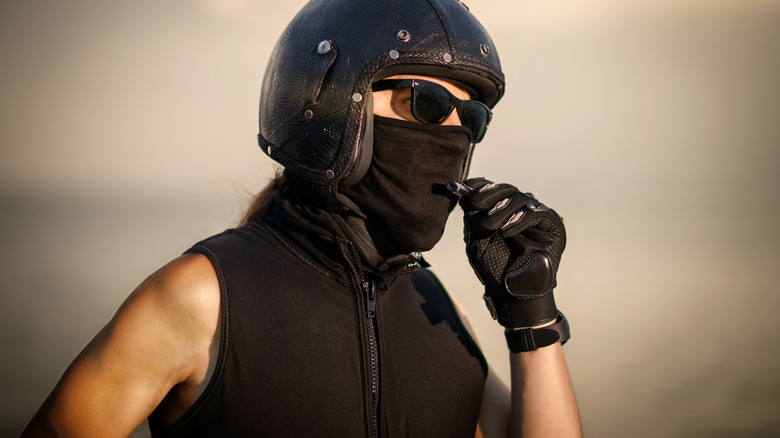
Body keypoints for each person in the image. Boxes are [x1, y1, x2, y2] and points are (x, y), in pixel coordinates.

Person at [22, 0, 581, 436]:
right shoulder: (202, 298)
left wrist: (530, 312)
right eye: (426, 104)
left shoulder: (438, 308)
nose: (453, 133)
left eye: (472, 118)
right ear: (333, 101)